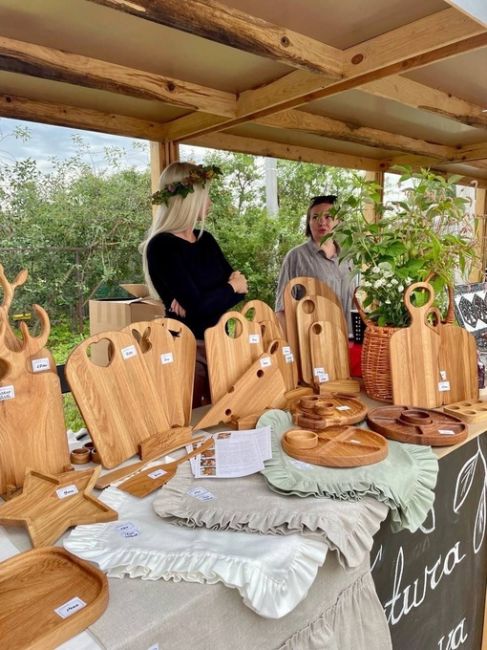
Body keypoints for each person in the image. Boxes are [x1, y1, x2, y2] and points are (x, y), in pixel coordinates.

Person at [140, 161, 248, 404]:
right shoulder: (162, 246)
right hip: (185, 348)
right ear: (187, 199)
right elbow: (220, 295)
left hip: (221, 342)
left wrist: (202, 300)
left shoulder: (205, 239)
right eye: (205, 196)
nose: (209, 203)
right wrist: (226, 289)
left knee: (226, 413)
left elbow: (241, 290)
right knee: (191, 418)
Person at [275, 194, 353, 333]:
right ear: (308, 222)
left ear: (338, 221)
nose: (321, 222)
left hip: (349, 340)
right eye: (315, 217)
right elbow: (282, 309)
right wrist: (291, 349)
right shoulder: (296, 257)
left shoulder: (348, 257)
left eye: (328, 216)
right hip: (312, 343)